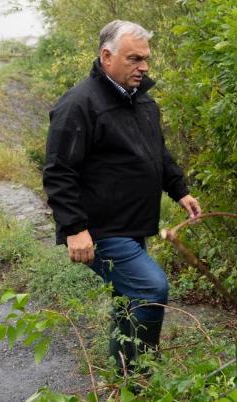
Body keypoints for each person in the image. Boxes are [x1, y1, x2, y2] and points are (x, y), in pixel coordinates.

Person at [43, 20, 201, 374]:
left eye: (145, 59)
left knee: (126, 301)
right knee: (151, 287)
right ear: (107, 56)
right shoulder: (79, 105)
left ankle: (124, 378)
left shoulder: (141, 101)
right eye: (134, 59)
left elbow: (156, 153)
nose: (143, 67)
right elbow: (58, 171)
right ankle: (143, 373)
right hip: (100, 230)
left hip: (131, 225)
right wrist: (74, 229)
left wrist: (180, 190)